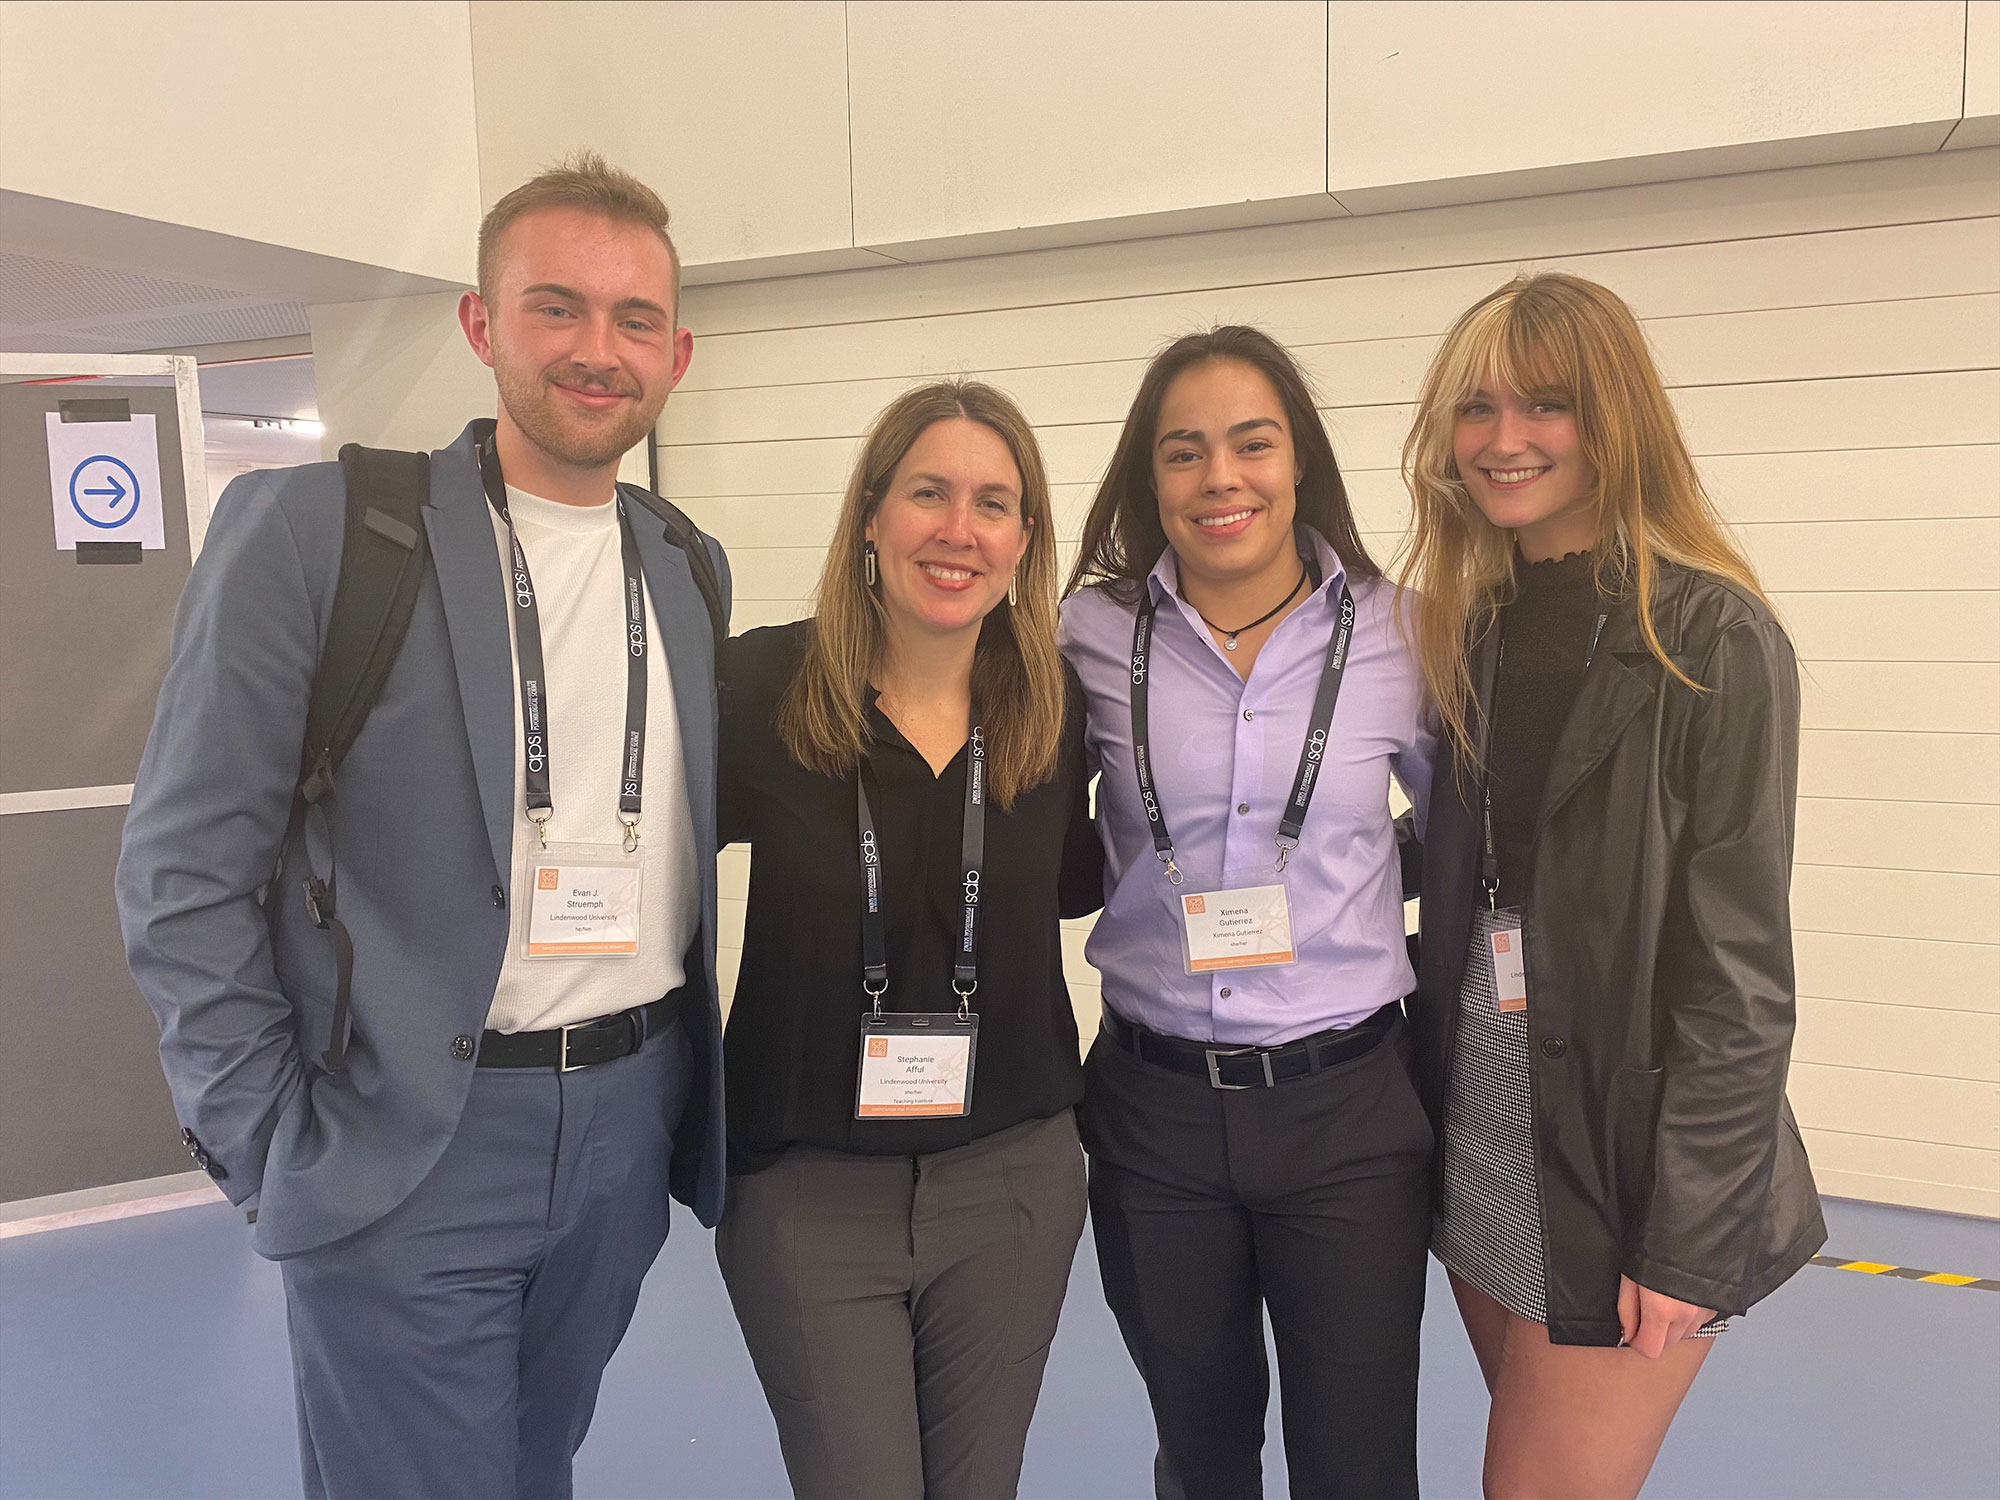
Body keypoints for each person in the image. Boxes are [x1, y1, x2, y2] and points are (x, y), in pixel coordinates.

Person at [115, 152, 730, 1500]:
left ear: (674, 353)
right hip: (407, 1132)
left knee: (533, 1466)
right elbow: (179, 871)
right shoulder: (325, 531)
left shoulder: (683, 563)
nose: (595, 349)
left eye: (634, 320)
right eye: (555, 307)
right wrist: (269, 1138)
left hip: (626, 1124)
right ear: (481, 324)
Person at [1401, 271, 1826, 1498]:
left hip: (1623, 1149)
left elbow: (1740, 979)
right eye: (1474, 410)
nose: (1502, 440)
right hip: (1481, 1109)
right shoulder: (1469, 626)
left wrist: (1687, 1241)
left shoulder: (1712, 640)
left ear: (1614, 418)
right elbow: (1472, 853)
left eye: (1545, 405)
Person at [1059, 327, 1435, 1500]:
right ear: (1147, 478)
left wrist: (1350, 885)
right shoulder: (1081, 636)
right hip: (1153, 1114)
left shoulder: (1404, 633)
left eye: (1249, 443)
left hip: (1347, 1116)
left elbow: (1472, 844)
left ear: (1297, 460)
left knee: (1356, 1464)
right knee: (1202, 1455)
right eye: (1183, 452)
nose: (1219, 477)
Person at [713, 380, 1100, 1500]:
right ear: (871, 515)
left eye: (992, 502)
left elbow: (1095, 874)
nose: (957, 529)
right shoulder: (757, 687)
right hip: (807, 1191)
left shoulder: (1057, 706)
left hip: (1013, 1183)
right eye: (928, 492)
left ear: (1023, 540)